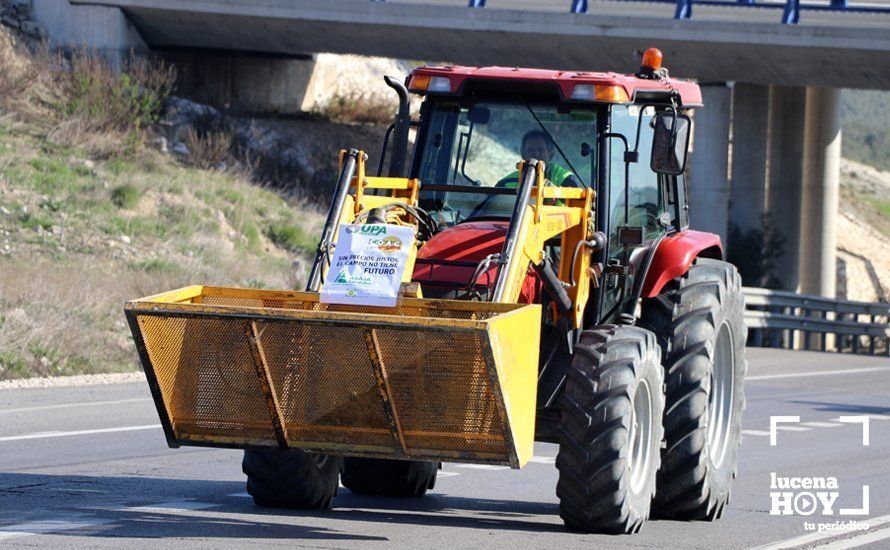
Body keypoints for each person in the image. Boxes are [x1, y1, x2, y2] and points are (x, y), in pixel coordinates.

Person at [497, 130, 578, 188]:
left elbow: (576, 204)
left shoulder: (564, 179)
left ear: (550, 154)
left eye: (541, 150)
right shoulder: (506, 183)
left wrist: (554, 192)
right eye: (530, 150)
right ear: (523, 155)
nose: (536, 154)